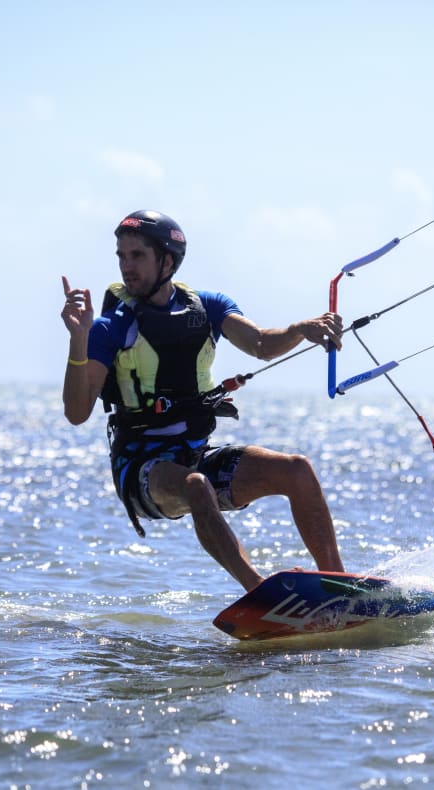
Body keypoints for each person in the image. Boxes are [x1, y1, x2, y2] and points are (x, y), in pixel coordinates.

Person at [61, 209, 346, 592]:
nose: (126, 266)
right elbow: (77, 413)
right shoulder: (112, 327)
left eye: (137, 256)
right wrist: (78, 341)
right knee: (196, 486)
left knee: (296, 469)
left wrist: (299, 330)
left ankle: (340, 587)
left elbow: (260, 344)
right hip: (142, 469)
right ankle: (260, 593)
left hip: (196, 453)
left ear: (167, 260)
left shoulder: (207, 307)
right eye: (121, 256)